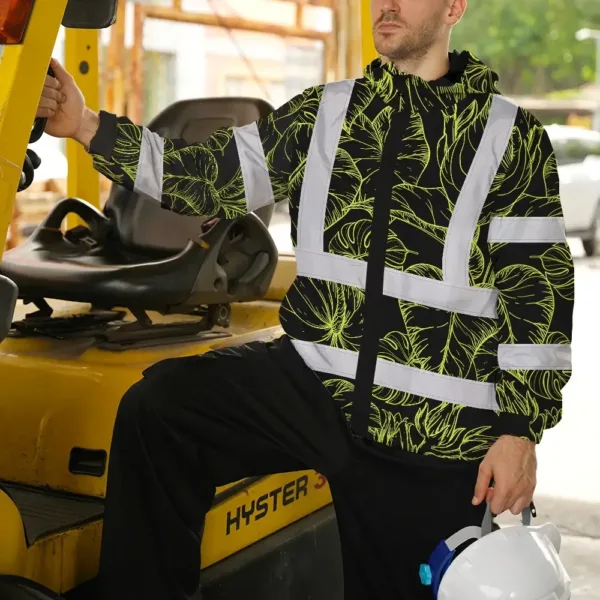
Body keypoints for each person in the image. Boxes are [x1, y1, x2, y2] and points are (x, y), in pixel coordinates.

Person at [36, 1, 574, 599]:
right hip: (315, 383)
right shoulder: (325, 114)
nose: (387, 3)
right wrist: (85, 124)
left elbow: (539, 294)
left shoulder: (509, 137)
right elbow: (205, 175)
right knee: (159, 412)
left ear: (453, 7)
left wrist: (519, 429)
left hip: (430, 429)